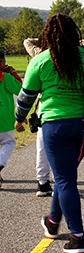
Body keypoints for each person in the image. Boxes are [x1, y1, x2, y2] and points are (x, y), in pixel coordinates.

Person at [15, 14, 84, 253]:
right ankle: (52, 223)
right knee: (65, 177)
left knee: (64, 179)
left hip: (55, 124)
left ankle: (77, 237)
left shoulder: (41, 59)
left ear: (47, 34)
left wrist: (19, 119)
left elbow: (25, 98)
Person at [23, 38, 53, 197]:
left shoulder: (39, 54)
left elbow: (27, 41)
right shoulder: (72, 54)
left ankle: (42, 182)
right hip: (68, 105)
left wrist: (41, 39)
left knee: (42, 146)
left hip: (44, 105)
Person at [0, 51, 22, 189]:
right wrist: (13, 73)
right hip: (4, 120)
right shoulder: (6, 77)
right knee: (8, 143)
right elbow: (21, 90)